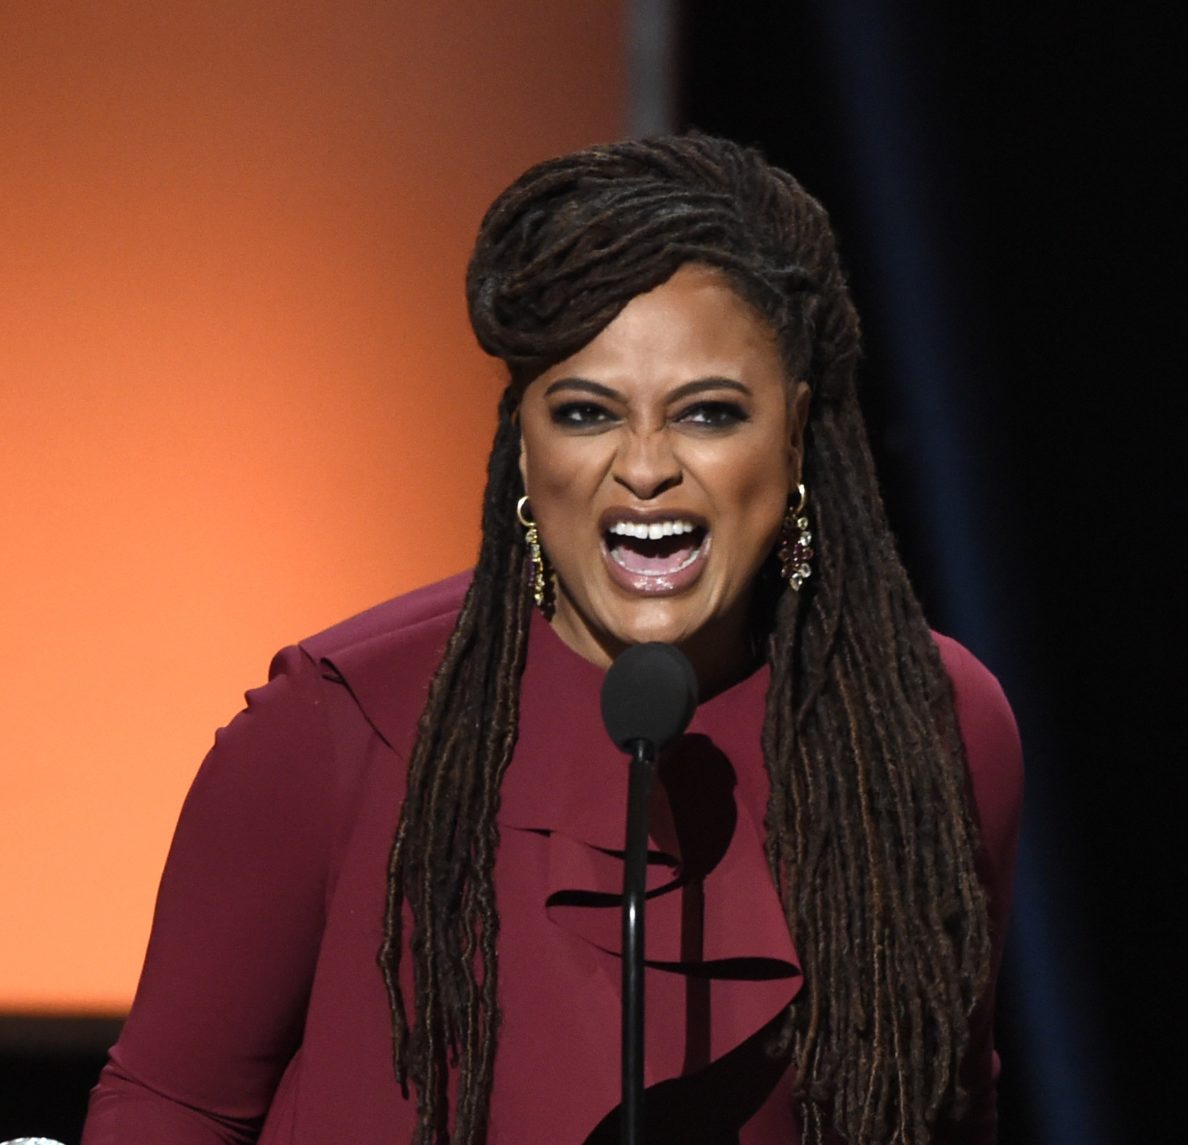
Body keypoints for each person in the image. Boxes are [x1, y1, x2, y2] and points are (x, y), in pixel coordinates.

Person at [83, 135, 1022, 1144]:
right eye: (585, 413)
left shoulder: (929, 728)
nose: (646, 467)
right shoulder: (334, 728)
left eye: (709, 413)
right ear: (524, 446)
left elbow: (944, 1101)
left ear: (793, 432)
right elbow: (168, 1106)